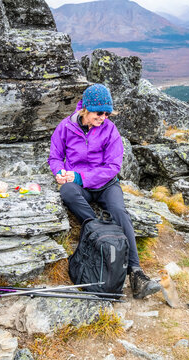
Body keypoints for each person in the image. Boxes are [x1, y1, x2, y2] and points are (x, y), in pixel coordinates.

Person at [48, 83, 160, 299]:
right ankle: (97, 231)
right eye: (99, 113)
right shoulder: (65, 127)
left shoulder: (110, 130)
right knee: (68, 192)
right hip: (78, 185)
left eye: (107, 113)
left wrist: (81, 177)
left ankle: (136, 274)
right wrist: (59, 171)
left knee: (120, 213)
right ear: (85, 109)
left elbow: (113, 167)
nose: (103, 118)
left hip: (107, 185)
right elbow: (54, 157)